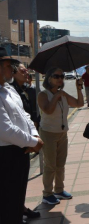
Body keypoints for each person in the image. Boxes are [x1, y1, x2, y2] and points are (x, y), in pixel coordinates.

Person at [0, 47, 43, 224]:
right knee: (7, 204)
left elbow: (25, 116)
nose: (12, 70)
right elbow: (4, 129)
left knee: (17, 199)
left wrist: (34, 137)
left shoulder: (9, 90)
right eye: (9, 65)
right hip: (5, 156)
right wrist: (33, 141)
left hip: (20, 152)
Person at [37, 67, 84, 205]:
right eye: (56, 76)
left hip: (62, 133)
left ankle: (59, 190)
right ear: (49, 78)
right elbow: (48, 110)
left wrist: (79, 88)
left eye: (62, 76)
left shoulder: (63, 94)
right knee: (50, 165)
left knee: (60, 164)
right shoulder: (43, 95)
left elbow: (79, 103)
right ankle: (47, 194)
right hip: (48, 133)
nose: (60, 79)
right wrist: (56, 96)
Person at [10, 63, 41, 219]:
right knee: (14, 182)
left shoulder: (30, 89)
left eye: (26, 70)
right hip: (18, 139)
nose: (26, 72)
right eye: (22, 70)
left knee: (22, 179)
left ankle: (20, 207)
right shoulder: (11, 90)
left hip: (30, 136)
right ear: (14, 73)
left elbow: (33, 111)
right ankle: (17, 209)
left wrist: (35, 131)